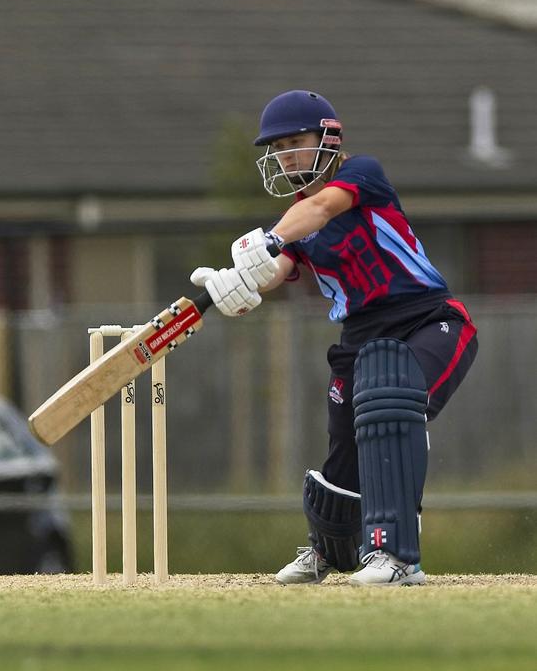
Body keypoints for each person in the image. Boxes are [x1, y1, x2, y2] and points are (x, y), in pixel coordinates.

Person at [190, 89, 478, 586]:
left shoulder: (361, 174)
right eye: (276, 149)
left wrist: (271, 238)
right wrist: (239, 280)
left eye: (294, 142)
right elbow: (281, 265)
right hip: (358, 340)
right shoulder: (295, 221)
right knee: (345, 444)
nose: (284, 156)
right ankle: (331, 550)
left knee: (392, 403)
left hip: (427, 321)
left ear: (327, 137)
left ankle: (399, 557)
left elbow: (321, 209)